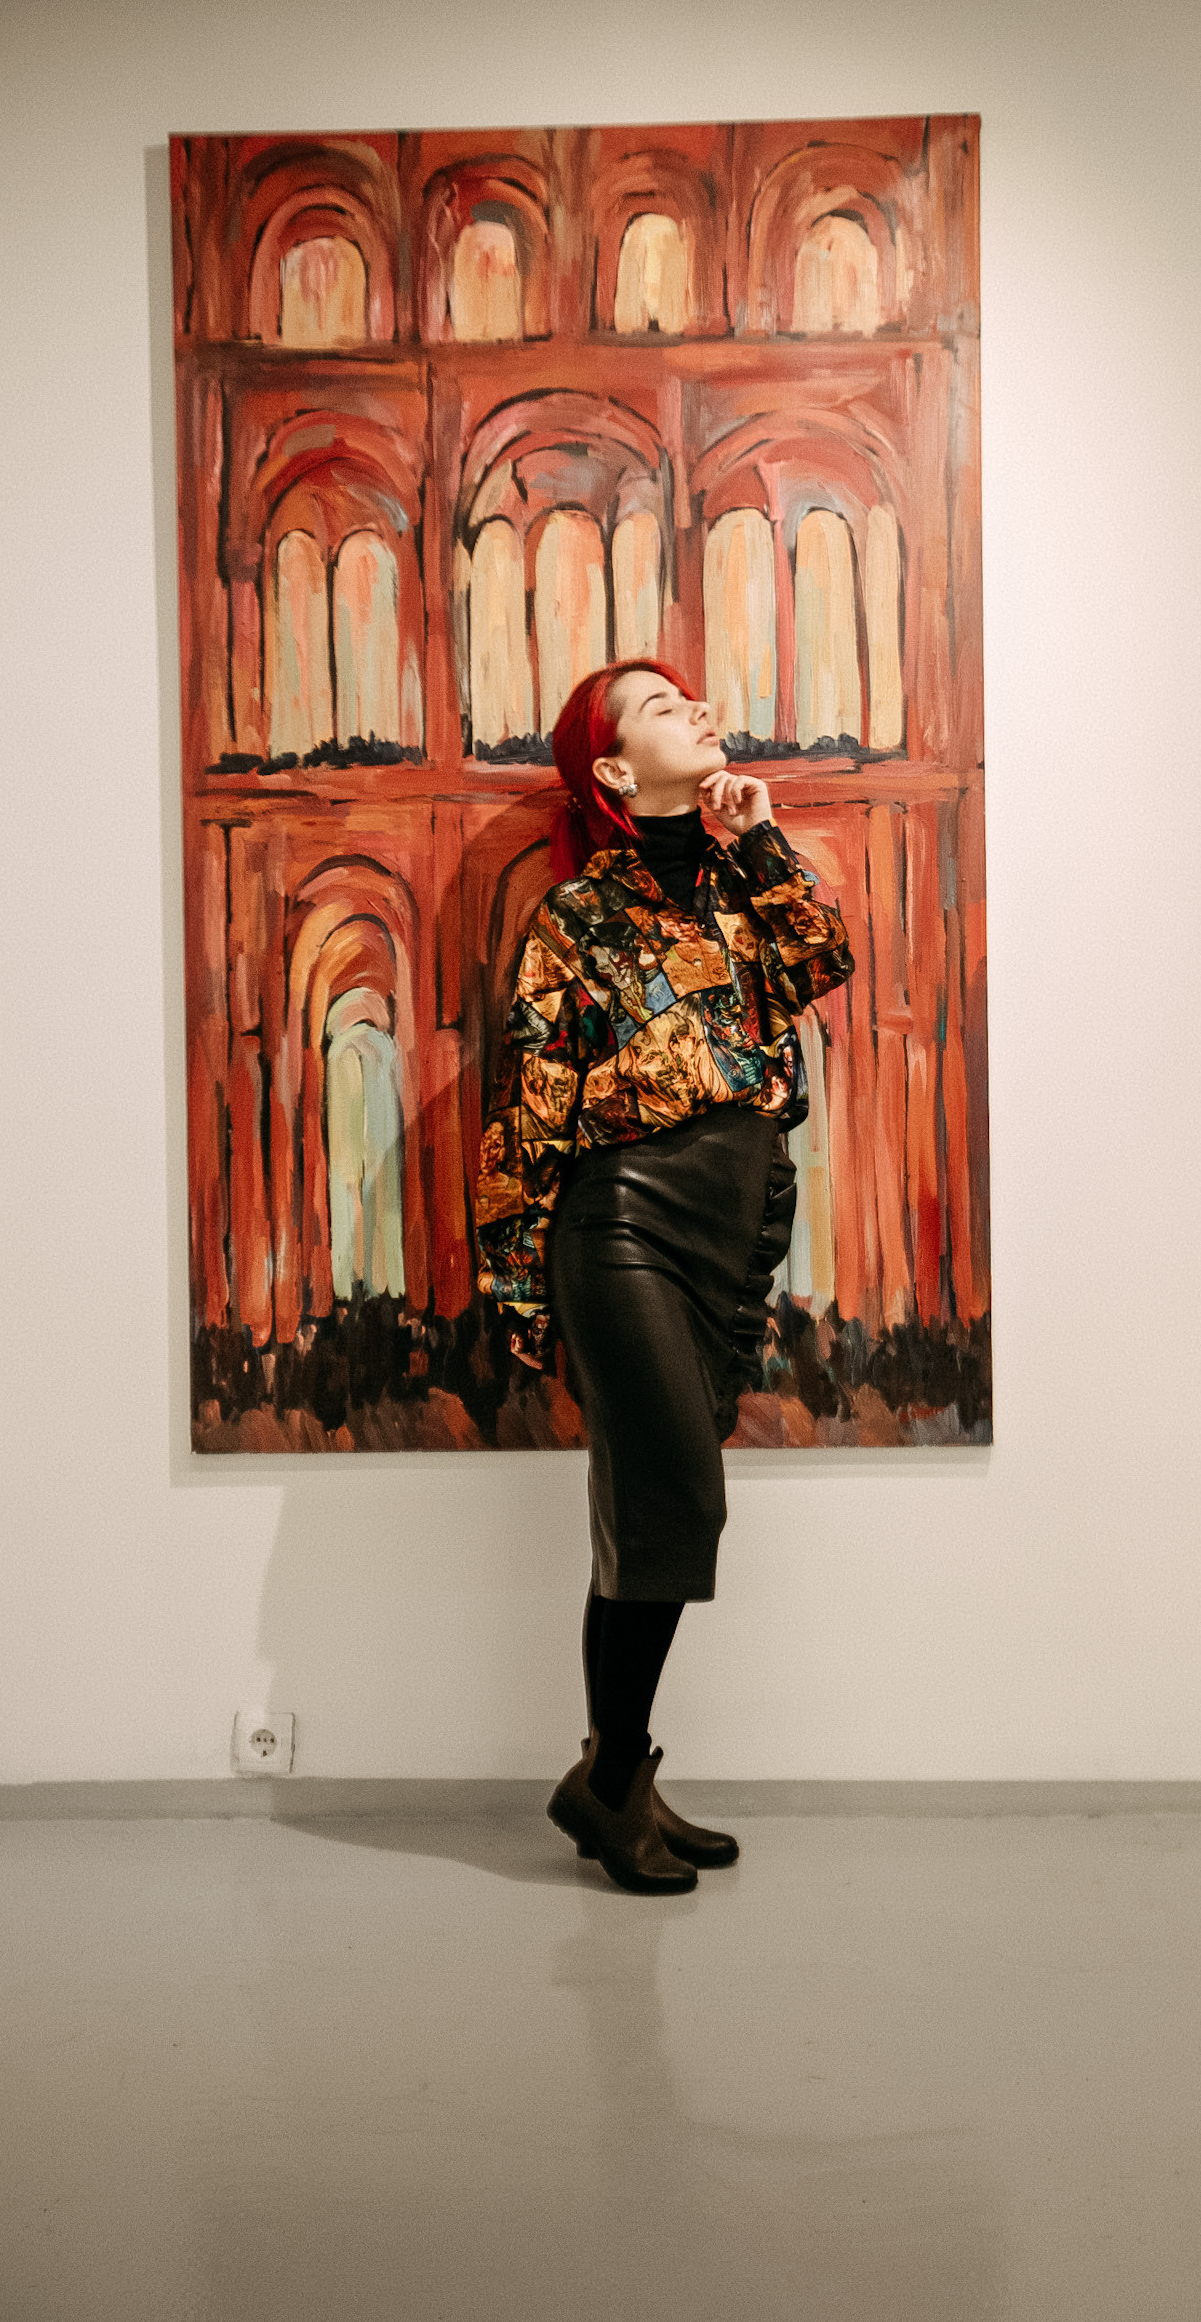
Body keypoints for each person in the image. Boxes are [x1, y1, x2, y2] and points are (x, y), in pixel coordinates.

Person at [474, 658, 855, 1894]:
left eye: (688, 696)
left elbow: (823, 963)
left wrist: (761, 837)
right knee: (674, 1505)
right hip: (624, 1223)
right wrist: (519, 1288)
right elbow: (529, 1110)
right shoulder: (577, 918)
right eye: (656, 706)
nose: (693, 708)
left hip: (728, 1231)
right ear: (612, 768)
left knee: (655, 1510)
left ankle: (616, 1776)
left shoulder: (744, 887)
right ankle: (610, 1780)